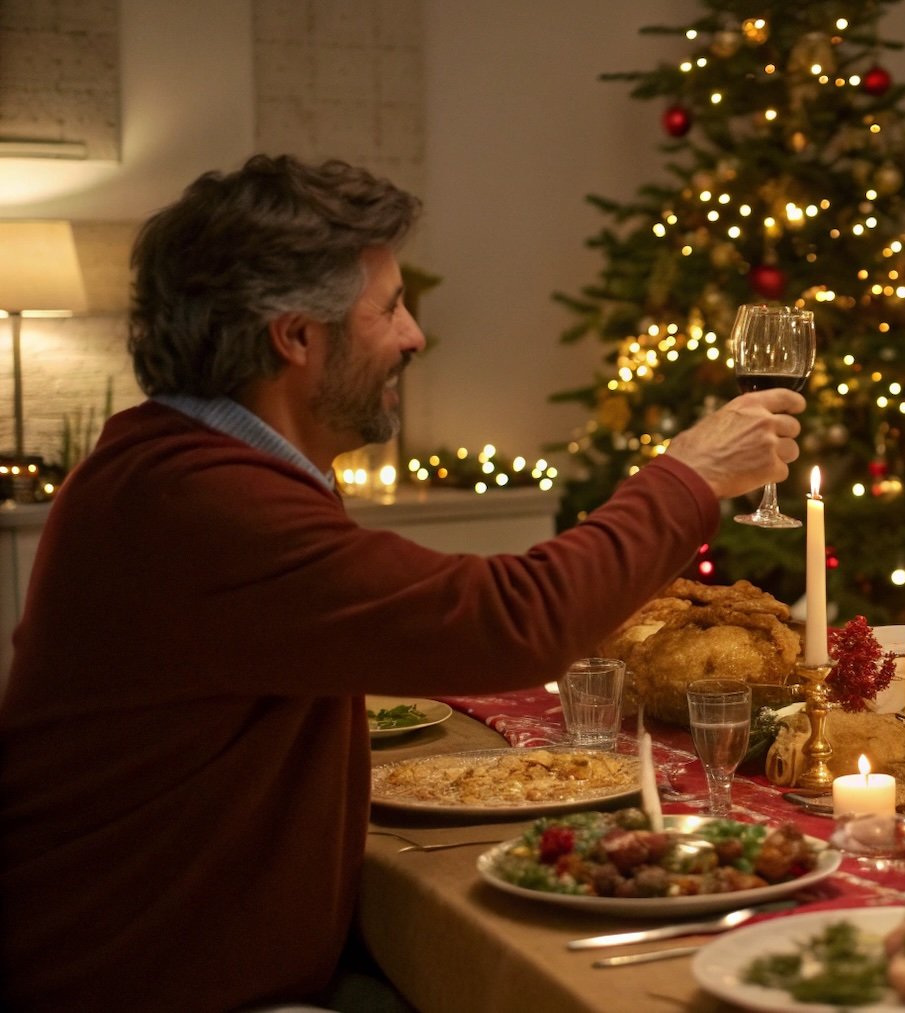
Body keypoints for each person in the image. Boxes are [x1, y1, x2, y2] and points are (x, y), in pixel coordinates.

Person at [0, 156, 804, 1011]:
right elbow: (514, 620)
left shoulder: (175, 464)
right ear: (296, 336)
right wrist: (687, 475)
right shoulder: (197, 501)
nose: (415, 334)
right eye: (387, 308)